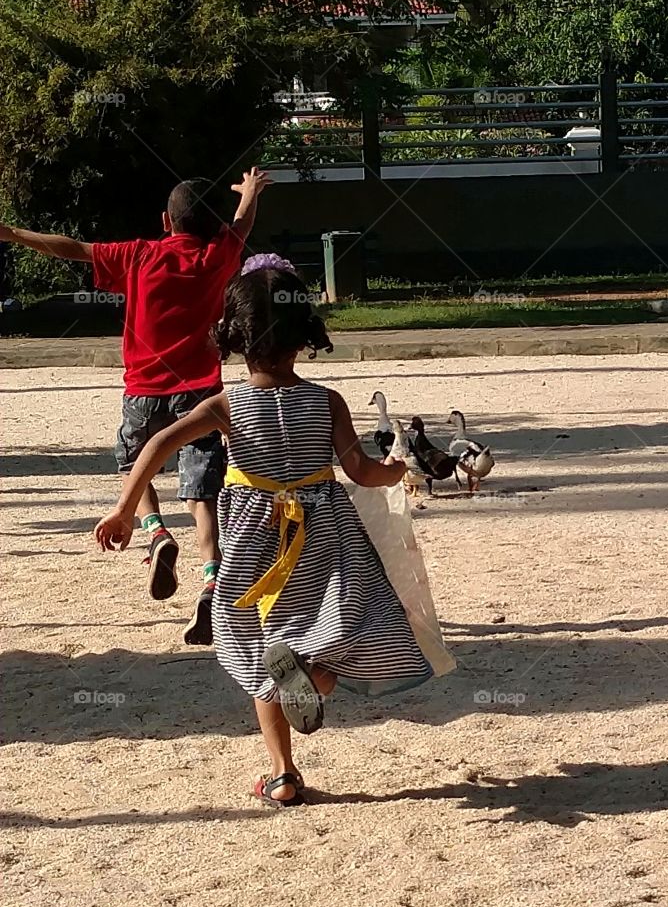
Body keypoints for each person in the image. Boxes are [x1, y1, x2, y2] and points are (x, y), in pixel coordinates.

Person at [94, 256, 434, 808]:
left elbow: (157, 444)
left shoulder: (226, 404)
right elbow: (362, 472)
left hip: (255, 541)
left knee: (258, 648)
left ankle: (282, 774)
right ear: (305, 338)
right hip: (325, 538)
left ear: (231, 337)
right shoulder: (327, 401)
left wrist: (126, 509)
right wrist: (402, 468)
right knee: (338, 628)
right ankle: (316, 676)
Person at [0, 168, 271, 644]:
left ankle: (155, 530)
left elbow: (73, 248)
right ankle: (211, 576)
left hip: (143, 390)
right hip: (202, 393)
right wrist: (249, 192)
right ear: (214, 227)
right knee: (201, 490)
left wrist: (12, 233)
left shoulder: (140, 254)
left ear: (167, 221)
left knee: (136, 464)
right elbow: (243, 224)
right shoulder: (218, 255)